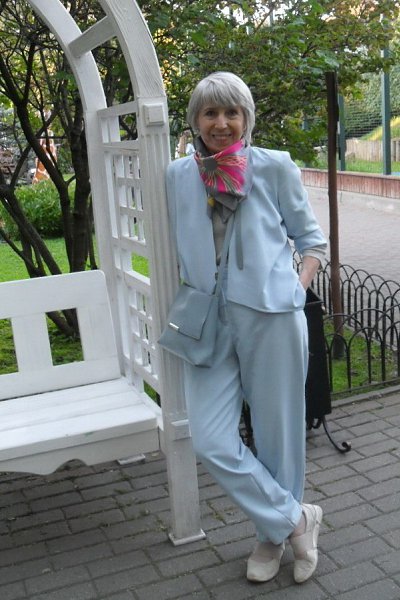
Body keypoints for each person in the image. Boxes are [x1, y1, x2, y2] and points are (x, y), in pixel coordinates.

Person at [165, 71, 327, 584]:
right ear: (195, 120)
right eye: (210, 112)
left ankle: (269, 537)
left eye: (231, 112)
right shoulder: (178, 175)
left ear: (246, 118)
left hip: (271, 316)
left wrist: (296, 289)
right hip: (206, 321)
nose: (221, 123)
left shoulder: (274, 166)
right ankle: (296, 519)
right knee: (211, 439)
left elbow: (312, 241)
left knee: (279, 436)